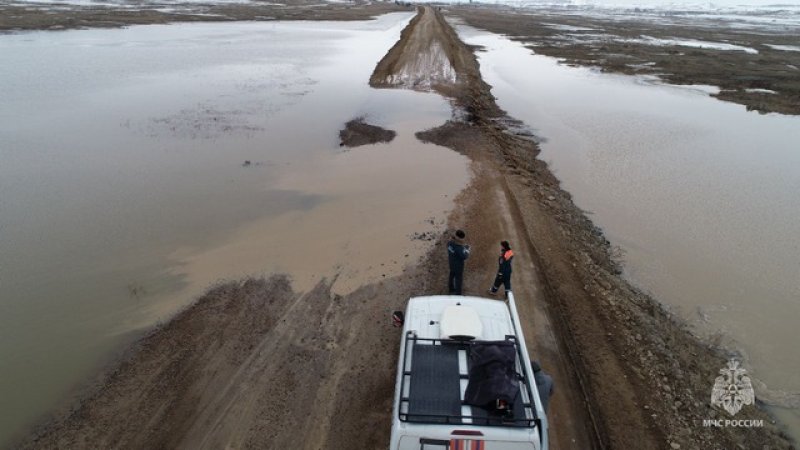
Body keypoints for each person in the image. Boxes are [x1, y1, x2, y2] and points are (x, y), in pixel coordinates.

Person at [447, 230, 470, 295]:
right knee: (458, 279)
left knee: (451, 275)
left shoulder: (449, 243)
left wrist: (463, 247)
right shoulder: (459, 248)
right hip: (458, 266)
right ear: (460, 238)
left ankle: (451, 288)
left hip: (451, 263)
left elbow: (451, 246)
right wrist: (467, 249)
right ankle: (458, 293)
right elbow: (464, 256)